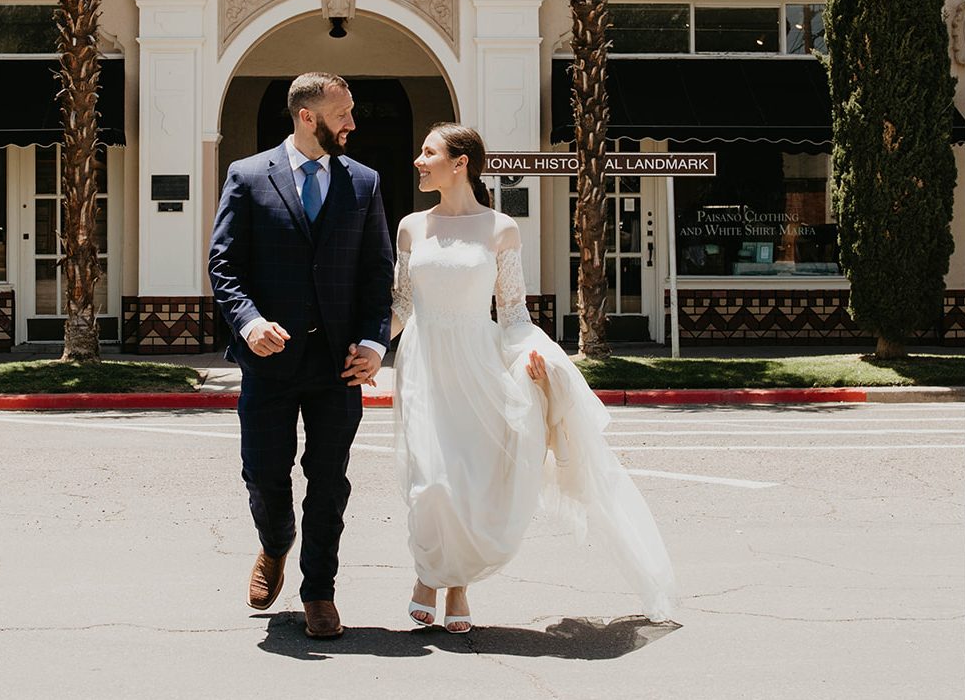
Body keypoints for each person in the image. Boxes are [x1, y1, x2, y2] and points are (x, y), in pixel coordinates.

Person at [393, 124, 677, 633]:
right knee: (430, 482)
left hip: (479, 365)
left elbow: (514, 311)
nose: (419, 159)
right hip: (424, 364)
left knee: (469, 482)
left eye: (428, 152)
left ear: (460, 163)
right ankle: (426, 577)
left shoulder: (501, 228)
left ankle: (455, 585)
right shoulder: (411, 227)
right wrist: (368, 348)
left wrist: (532, 357)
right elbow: (400, 306)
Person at [208, 72, 394, 640]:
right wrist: (248, 321)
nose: (353, 125)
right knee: (264, 474)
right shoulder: (246, 175)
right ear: (308, 117)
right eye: (343, 114)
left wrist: (373, 341)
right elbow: (225, 265)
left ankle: (319, 591)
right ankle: (273, 543)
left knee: (328, 479)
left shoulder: (363, 182)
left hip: (338, 363)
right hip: (269, 359)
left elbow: (376, 272)